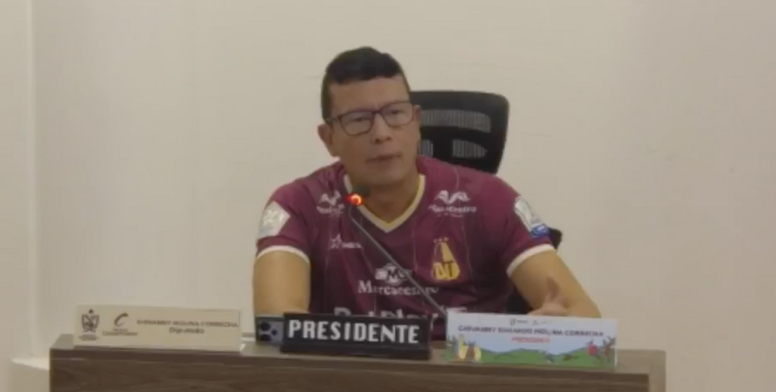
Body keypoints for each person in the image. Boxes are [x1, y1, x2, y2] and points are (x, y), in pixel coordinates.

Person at [252, 47, 600, 339]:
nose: (382, 133)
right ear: (329, 139)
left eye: (395, 114)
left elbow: (584, 318)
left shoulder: (488, 200)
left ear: (416, 122)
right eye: (358, 120)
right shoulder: (298, 205)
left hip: (470, 387)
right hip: (346, 386)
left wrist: (555, 329)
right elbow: (276, 327)